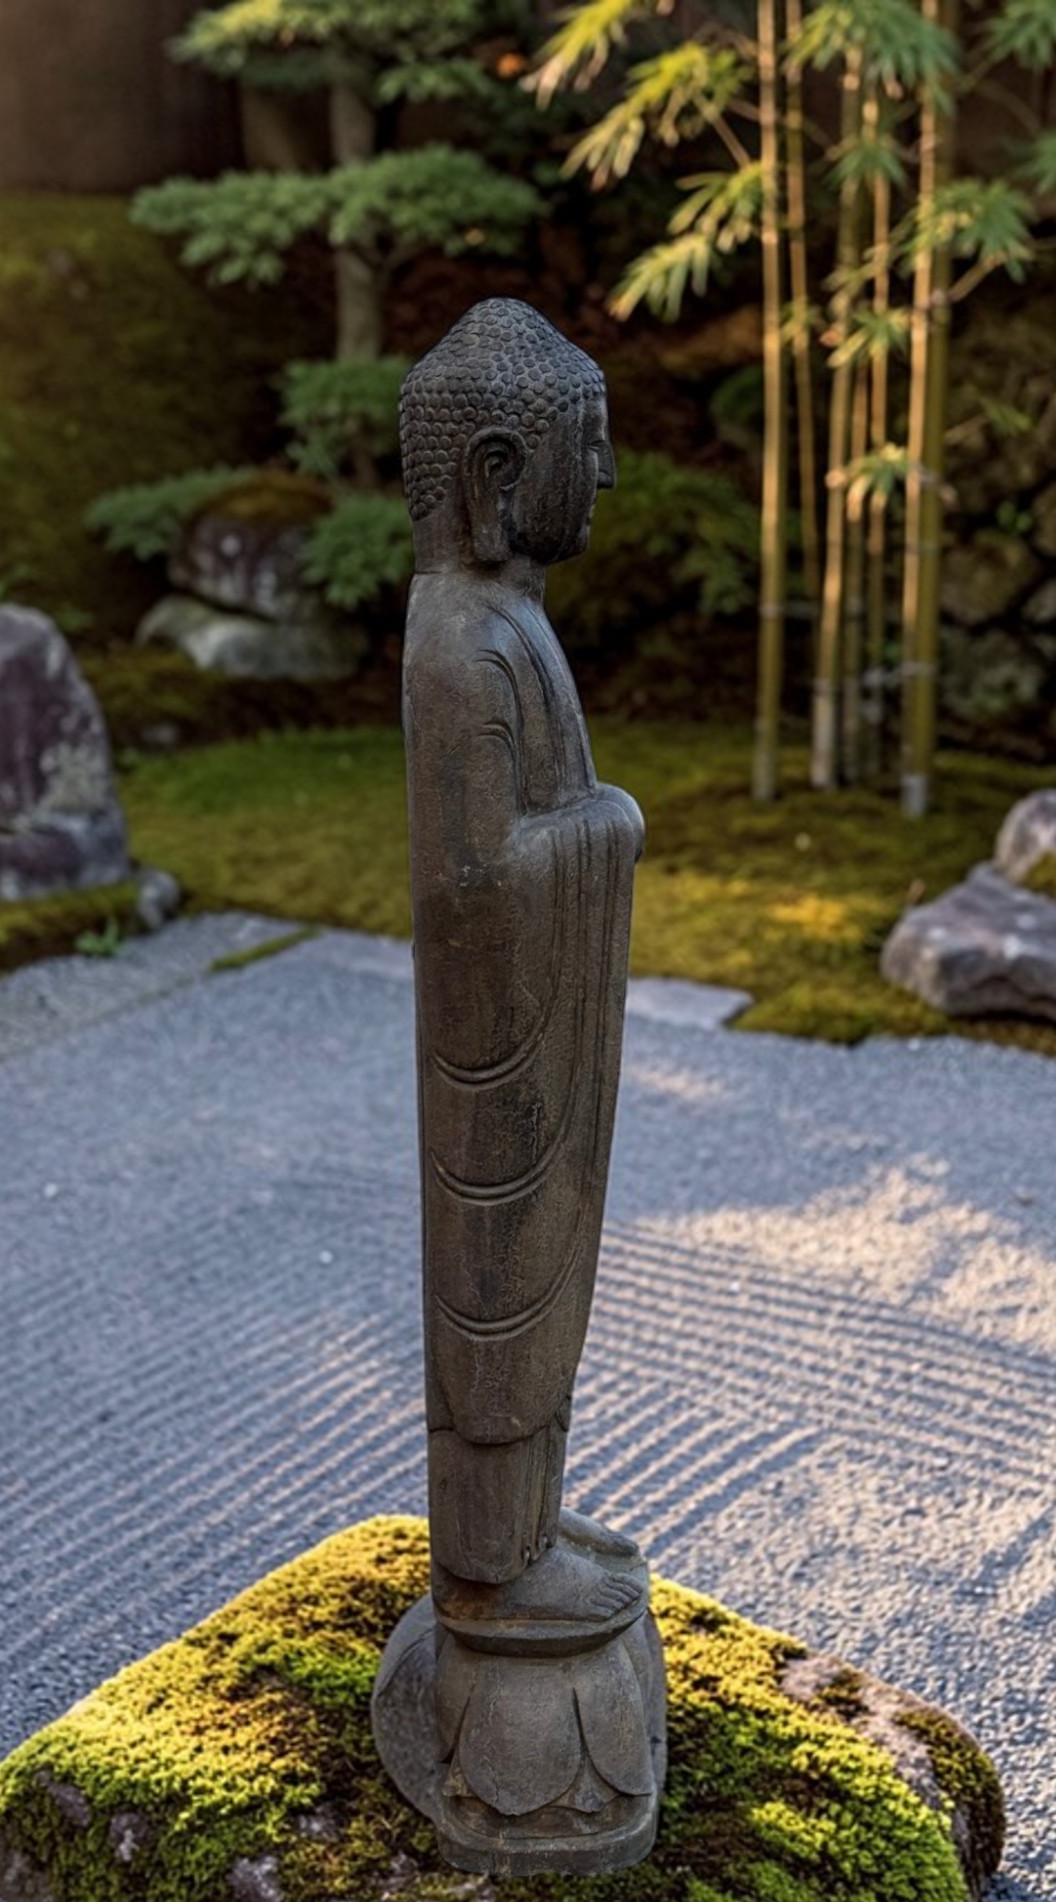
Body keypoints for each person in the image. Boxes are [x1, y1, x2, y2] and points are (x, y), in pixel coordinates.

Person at [399, 297, 647, 1634]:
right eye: (584, 443)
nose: (605, 473)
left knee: (543, 1287)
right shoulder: (462, 648)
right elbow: (476, 878)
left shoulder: (498, 625)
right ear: (499, 475)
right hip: (496, 1055)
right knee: (504, 1295)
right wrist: (611, 826)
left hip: (532, 1044)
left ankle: (529, 1530)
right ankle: (493, 1566)